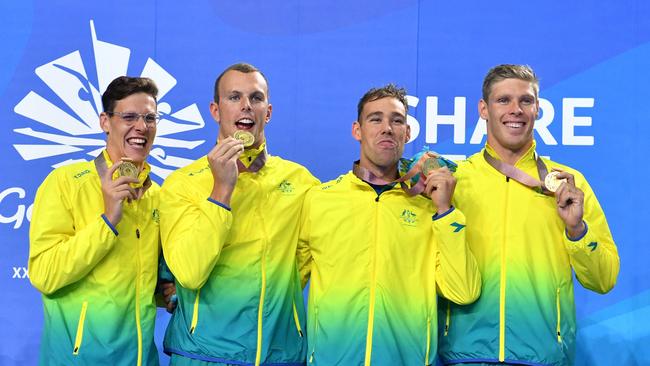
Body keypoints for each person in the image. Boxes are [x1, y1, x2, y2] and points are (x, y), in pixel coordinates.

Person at [437, 64, 620, 366]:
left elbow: (605, 279)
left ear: (537, 109)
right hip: (464, 353)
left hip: (542, 355)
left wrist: (577, 230)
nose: (516, 110)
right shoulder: (454, 183)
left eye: (525, 101)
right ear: (483, 109)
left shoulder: (569, 184)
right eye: (503, 100)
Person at [296, 84, 481, 366]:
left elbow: (463, 292)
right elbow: (285, 285)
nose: (387, 128)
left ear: (407, 133)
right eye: (375, 119)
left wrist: (445, 210)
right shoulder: (319, 200)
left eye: (396, 120)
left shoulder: (430, 207)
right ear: (357, 130)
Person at [160, 63, 319, 365]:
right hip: (202, 354)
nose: (246, 106)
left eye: (256, 98)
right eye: (234, 97)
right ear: (215, 110)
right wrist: (221, 189)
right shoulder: (182, 183)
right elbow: (190, 273)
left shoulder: (301, 182)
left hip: (278, 354)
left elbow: (306, 260)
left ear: (268, 112)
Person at [29, 76, 163, 365]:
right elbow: (44, 273)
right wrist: (107, 222)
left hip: (141, 359)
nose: (142, 127)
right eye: (129, 117)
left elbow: (144, 282)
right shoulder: (65, 182)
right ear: (105, 121)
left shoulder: (158, 196)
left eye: (150, 118)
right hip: (79, 359)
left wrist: (169, 290)